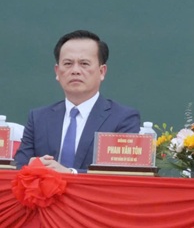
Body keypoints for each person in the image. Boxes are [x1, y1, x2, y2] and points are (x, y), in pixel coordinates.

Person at [15, 30, 141, 174]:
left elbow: (120, 174)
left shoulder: (123, 118)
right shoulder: (38, 118)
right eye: (68, 63)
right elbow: (18, 167)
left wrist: (71, 173)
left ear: (102, 72)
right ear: (57, 71)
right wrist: (31, 166)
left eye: (84, 63)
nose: (75, 70)